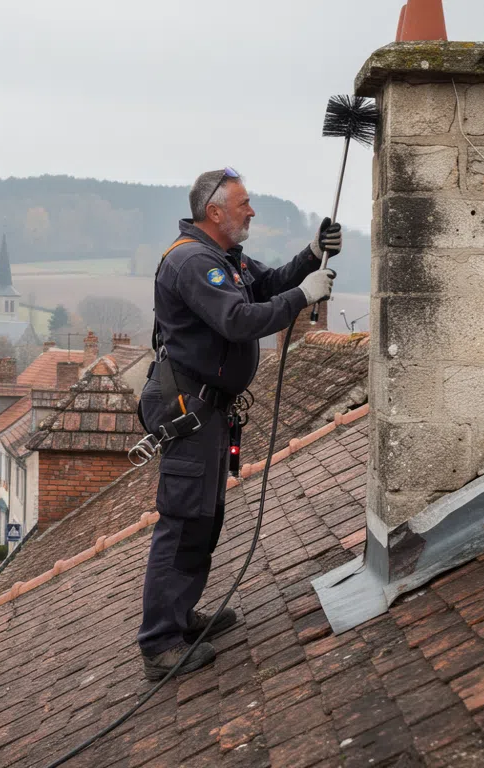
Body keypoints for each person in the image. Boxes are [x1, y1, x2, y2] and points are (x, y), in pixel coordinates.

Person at [137, 167, 341, 679]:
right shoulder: (191, 263)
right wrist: (305, 297)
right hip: (189, 411)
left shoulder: (225, 258)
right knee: (183, 522)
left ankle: (182, 617)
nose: (251, 211)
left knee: (205, 518)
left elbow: (266, 283)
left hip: (207, 409)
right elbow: (239, 319)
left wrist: (310, 257)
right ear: (215, 212)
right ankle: (160, 643)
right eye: (244, 203)